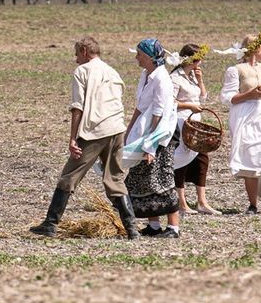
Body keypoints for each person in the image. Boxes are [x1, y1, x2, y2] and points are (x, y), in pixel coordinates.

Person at [29, 36, 137, 239]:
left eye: (77, 54)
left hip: (95, 130)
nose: (76, 59)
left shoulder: (82, 71)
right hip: (116, 128)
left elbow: (77, 107)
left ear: (85, 52)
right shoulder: (112, 71)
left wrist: (72, 138)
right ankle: (132, 229)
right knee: (114, 178)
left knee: (69, 177)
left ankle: (51, 223)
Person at [219, 32, 261, 217]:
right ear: (256, 49)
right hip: (245, 115)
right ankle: (253, 204)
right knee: (249, 161)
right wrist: (251, 94)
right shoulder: (236, 70)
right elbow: (227, 97)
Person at [122, 39, 180, 238]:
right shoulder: (146, 74)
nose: (136, 58)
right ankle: (153, 225)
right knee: (143, 178)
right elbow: (140, 106)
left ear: (148, 57)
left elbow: (159, 112)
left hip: (161, 133)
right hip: (145, 130)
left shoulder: (162, 78)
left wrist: (151, 144)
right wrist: (129, 130)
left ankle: (173, 227)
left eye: (139, 54)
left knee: (162, 178)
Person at [171, 43, 217, 215]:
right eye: (199, 59)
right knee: (181, 159)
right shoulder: (176, 77)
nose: (201, 62)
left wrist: (200, 80)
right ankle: (181, 202)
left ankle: (202, 201)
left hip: (196, 122)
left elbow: (202, 98)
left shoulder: (191, 76)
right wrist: (189, 106)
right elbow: (170, 102)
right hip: (182, 122)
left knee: (202, 158)